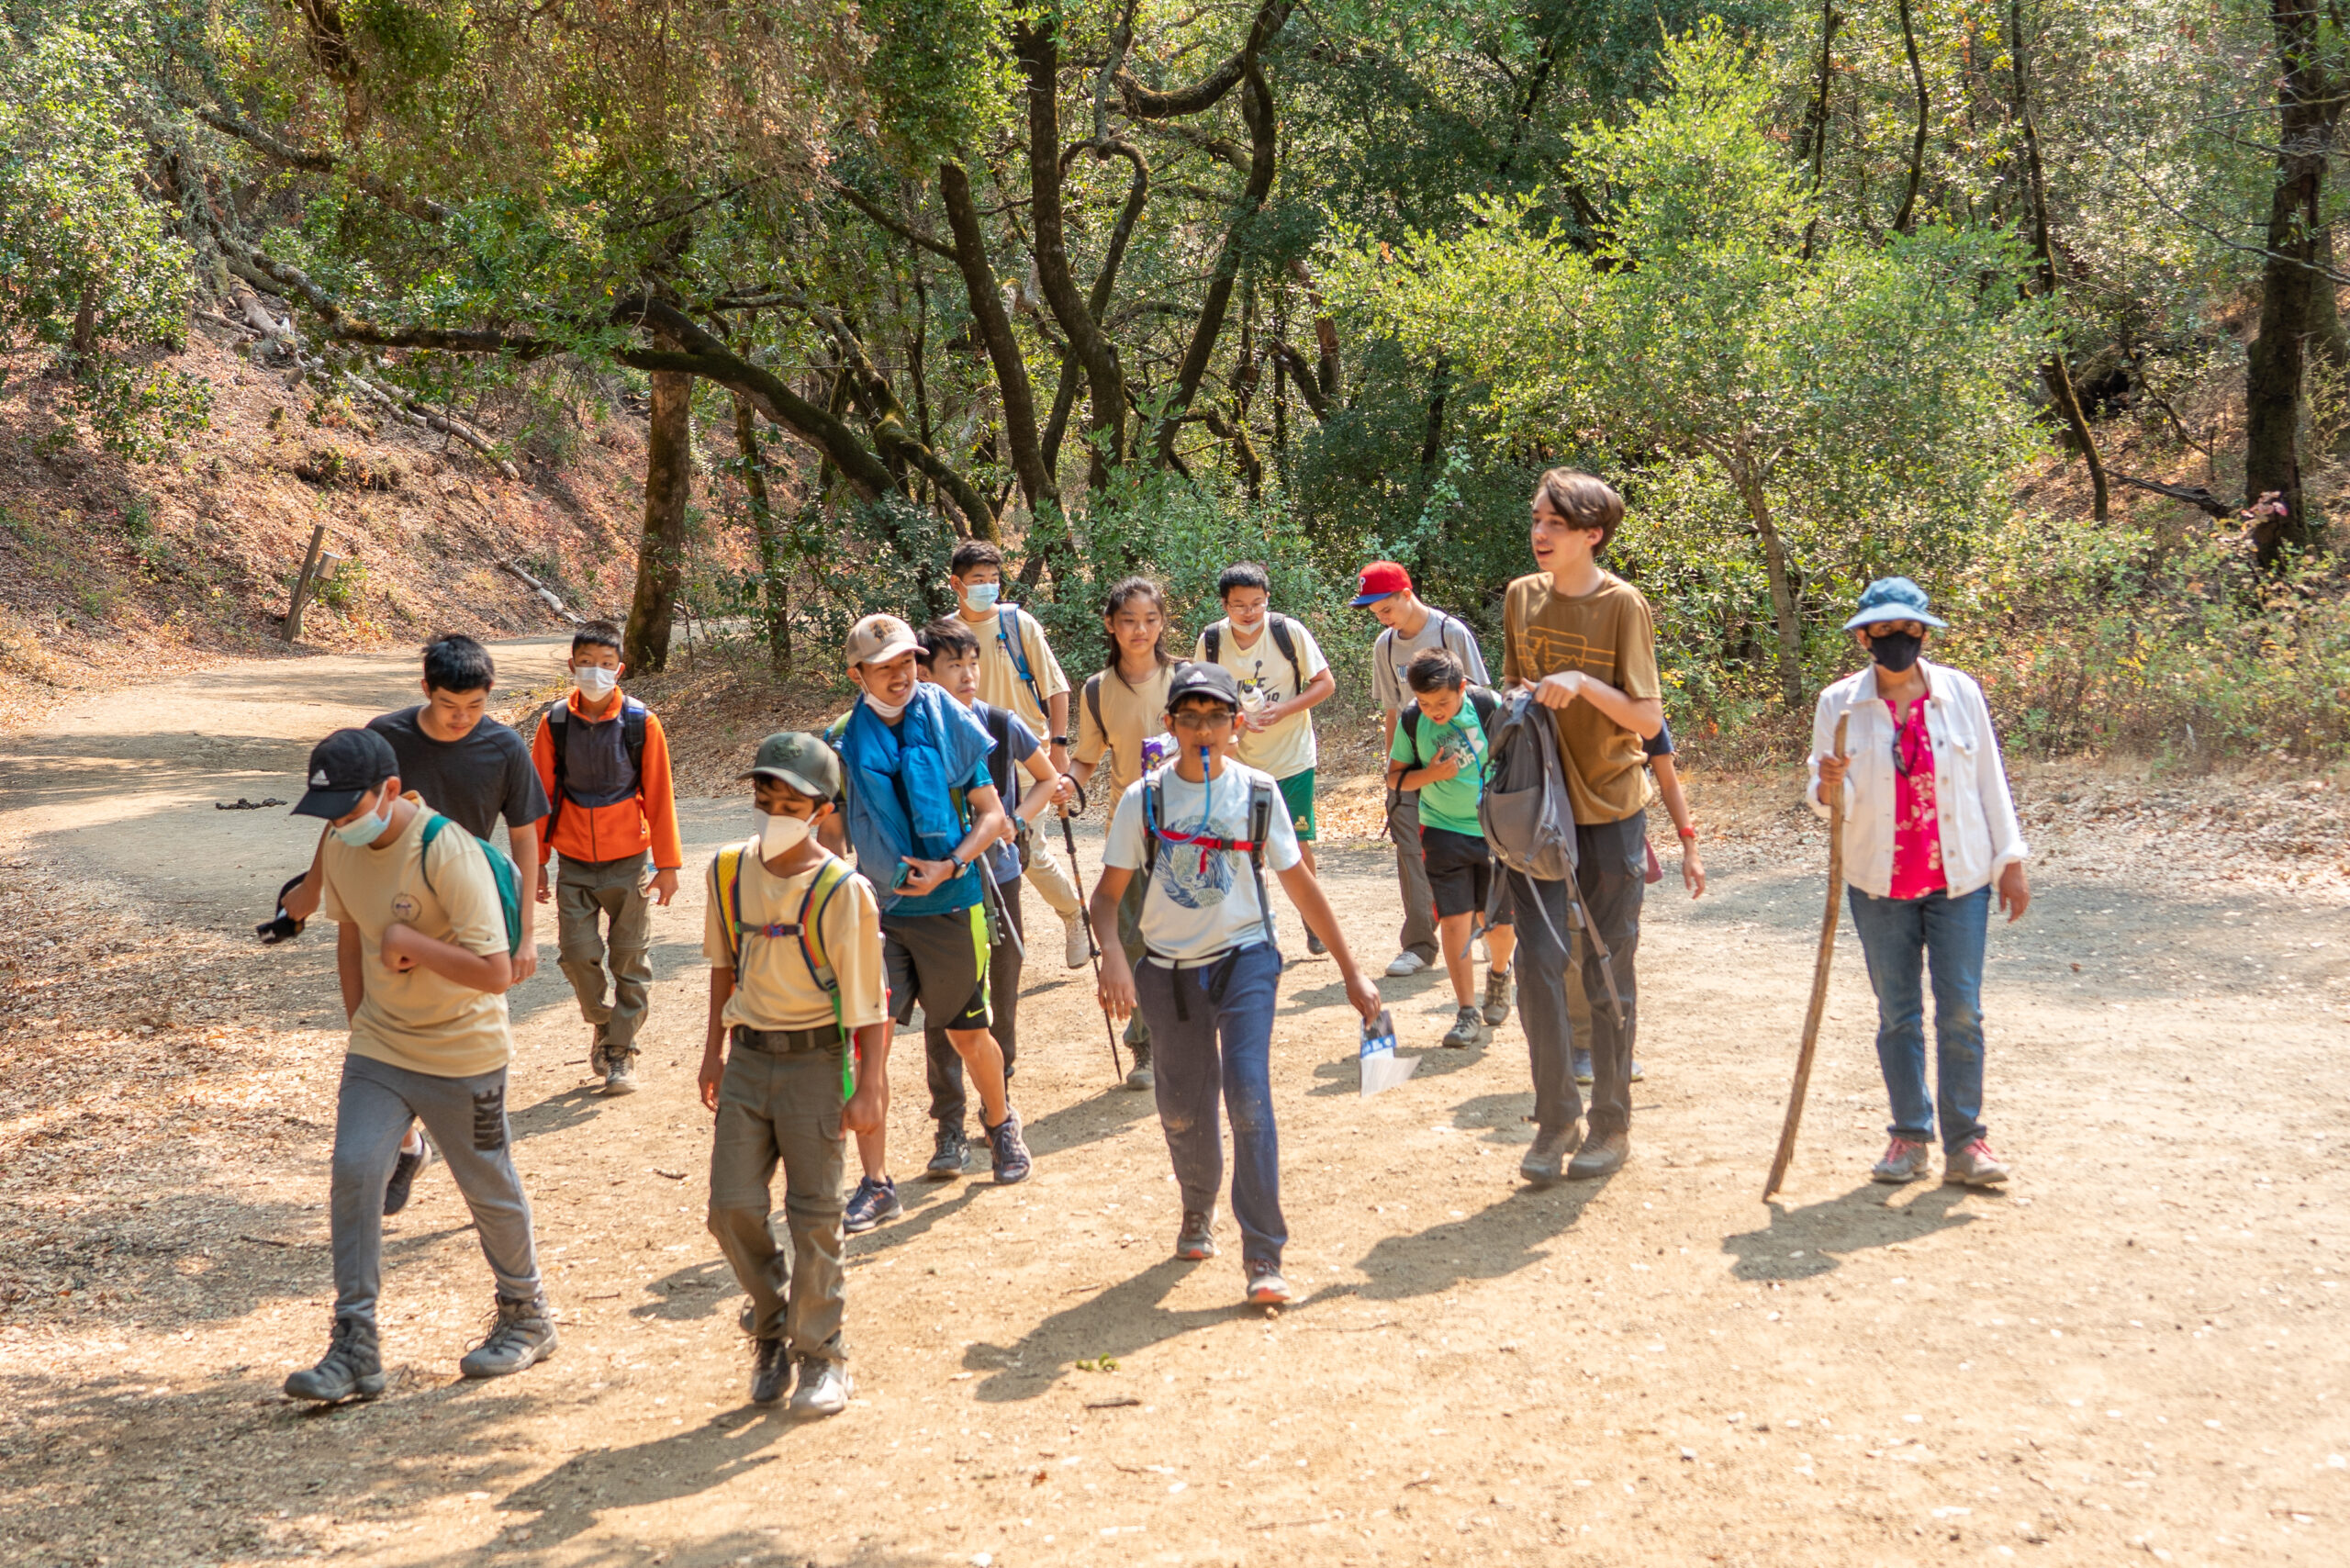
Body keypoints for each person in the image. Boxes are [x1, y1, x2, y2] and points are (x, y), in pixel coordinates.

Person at [1089, 664, 1383, 1305]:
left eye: (1215, 717)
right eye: (1188, 717)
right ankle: (1198, 1210)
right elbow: (1107, 898)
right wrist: (1111, 953)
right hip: (1166, 971)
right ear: (1168, 725)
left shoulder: (1257, 794)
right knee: (1182, 1107)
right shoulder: (1145, 800)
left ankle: (1263, 1256)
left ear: (1236, 726)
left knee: (1249, 1094)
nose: (1202, 729)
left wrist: (1350, 969)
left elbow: (1300, 882)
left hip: (1245, 959)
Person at [281, 729, 554, 1403]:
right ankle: (355, 1345)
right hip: (381, 1047)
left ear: (392, 791)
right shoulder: (343, 849)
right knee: (354, 1171)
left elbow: (497, 975)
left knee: (487, 1182)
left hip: (466, 1053)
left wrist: (411, 943)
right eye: (330, 813)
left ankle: (527, 1315)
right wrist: (361, 1029)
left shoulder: (445, 852)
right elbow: (350, 941)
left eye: (351, 808)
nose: (340, 824)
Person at [282, 633, 552, 1216]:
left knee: (469, 1039)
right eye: (450, 706)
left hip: (469, 914)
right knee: (375, 1027)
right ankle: (405, 1143)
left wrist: (526, 932)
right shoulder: (386, 737)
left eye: (475, 708)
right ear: (426, 688)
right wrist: (311, 887)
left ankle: (489, 1177)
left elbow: (527, 841)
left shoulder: (504, 746)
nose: (462, 720)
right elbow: (342, 815)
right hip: (389, 901)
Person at [1811, 577, 2030, 1189]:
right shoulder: (1840, 706)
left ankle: (1967, 1142)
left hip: (1959, 879)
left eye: (1910, 629)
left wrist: (2011, 859)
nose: (1898, 640)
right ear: (1863, 637)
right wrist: (1831, 782)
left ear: (1925, 632)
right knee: (1898, 1014)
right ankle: (1909, 1135)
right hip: (1878, 882)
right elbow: (1831, 803)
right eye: (1883, 630)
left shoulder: (1959, 692)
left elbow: (1989, 777)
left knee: (1961, 1010)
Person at [699, 733, 889, 1414]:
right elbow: (724, 964)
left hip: (815, 1061)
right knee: (731, 1209)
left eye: (792, 801)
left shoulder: (844, 891)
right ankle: (773, 1319)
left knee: (814, 1215)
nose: (776, 810)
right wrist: (712, 1051)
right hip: (748, 1058)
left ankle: (821, 1356)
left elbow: (870, 1002)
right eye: (765, 797)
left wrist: (867, 1087)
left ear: (823, 809)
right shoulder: (727, 870)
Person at [823, 612, 1033, 1184]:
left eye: (907, 662)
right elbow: (832, 831)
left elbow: (991, 815)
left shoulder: (949, 717)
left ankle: (1000, 1120)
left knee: (967, 1033)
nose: (901, 675)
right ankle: (876, 1181)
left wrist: (951, 865)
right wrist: (839, 886)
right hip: (879, 914)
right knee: (871, 1045)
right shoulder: (840, 739)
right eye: (884, 667)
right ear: (857, 673)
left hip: (951, 903)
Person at [1500, 471, 1662, 1186]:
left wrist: (1585, 684)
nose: (1540, 534)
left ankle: (1611, 1123)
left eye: (1556, 525)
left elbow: (1648, 720)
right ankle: (1555, 1119)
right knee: (1537, 967)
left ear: (1591, 534)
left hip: (1610, 812)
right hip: (1538, 815)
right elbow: (1511, 688)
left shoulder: (1622, 605)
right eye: (1536, 521)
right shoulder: (1520, 598)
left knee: (1606, 971)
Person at [901, 617, 1072, 1196]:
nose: (968, 676)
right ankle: (948, 1125)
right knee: (944, 1010)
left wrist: (1014, 824)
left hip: (999, 877)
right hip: (937, 895)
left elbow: (1049, 779)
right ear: (924, 673)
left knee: (1003, 988)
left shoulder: (1000, 722)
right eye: (954, 665)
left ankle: (1003, 1104)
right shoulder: (908, 732)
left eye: (973, 664)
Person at [530, 621, 684, 1096]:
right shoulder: (554, 723)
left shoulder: (641, 722)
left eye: (604, 664)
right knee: (577, 956)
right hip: (574, 863)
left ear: (619, 669)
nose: (594, 672)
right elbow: (539, 797)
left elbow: (659, 796)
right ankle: (603, 1021)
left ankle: (621, 1054)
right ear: (571, 665)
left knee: (630, 960)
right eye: (585, 663)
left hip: (630, 863)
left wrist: (669, 866)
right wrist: (538, 861)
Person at [949, 541, 1092, 969]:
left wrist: (1060, 747)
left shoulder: (1017, 623)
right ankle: (990, 943)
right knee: (978, 848)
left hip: (1026, 754)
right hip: (967, 760)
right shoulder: (946, 634)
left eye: (994, 579)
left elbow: (1057, 687)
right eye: (978, 581)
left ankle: (1074, 915)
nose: (988, 588)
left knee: (1026, 849)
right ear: (956, 583)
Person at [1353, 561, 1491, 980]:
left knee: (1479, 844)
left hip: (1466, 766)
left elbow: (1481, 700)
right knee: (1411, 851)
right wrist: (1394, 774)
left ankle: (1484, 931)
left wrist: (1481, 766)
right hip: (1413, 764)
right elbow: (1393, 711)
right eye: (1373, 610)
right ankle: (1418, 945)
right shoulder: (1385, 645)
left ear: (1406, 593)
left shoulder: (1451, 633)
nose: (1380, 615)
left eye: (1384, 606)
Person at [1070, 577, 1181, 1091]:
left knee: (1189, 932)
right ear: (1111, 626)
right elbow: (1088, 756)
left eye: (1151, 620)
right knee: (1135, 935)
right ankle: (1146, 1044)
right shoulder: (1096, 690)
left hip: (1188, 827)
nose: (1141, 630)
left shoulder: (1186, 678)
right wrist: (1067, 784)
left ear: (1163, 622)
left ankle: (1193, 1029)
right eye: (1129, 621)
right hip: (1128, 828)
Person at [1193, 563, 1337, 953]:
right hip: (1239, 761)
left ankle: (1313, 921)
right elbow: (1203, 700)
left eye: (1257, 603)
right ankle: (1256, 926)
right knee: (1245, 846)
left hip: (1292, 758)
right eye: (1239, 605)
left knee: (1298, 841)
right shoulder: (1211, 641)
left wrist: (1285, 709)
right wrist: (1233, 729)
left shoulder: (1288, 632)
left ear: (1267, 600)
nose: (1249, 612)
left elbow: (1325, 683)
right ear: (1224, 604)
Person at [1385, 649, 1517, 1048]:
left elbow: (1519, 757)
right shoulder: (1412, 720)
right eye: (1426, 703)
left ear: (1463, 687)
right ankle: (1466, 1012)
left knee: (1497, 921)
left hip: (1495, 830)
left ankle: (1499, 973)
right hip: (1442, 830)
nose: (1434, 711)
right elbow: (1395, 779)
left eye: (1442, 702)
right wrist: (1431, 774)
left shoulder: (1488, 706)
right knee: (1458, 919)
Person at [1565, 719, 1706, 1086]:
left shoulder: (1641, 713)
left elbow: (1668, 781)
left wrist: (1690, 846)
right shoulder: (1562, 702)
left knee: (1618, 943)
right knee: (1576, 940)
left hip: (1620, 838)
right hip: (1567, 836)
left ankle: (1614, 1046)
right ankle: (1581, 1045)